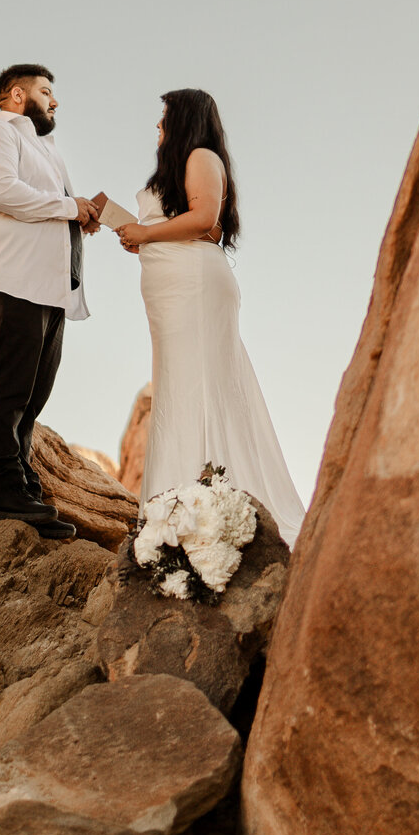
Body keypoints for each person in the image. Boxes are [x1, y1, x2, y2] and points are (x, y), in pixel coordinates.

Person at [115, 88, 304, 547]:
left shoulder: (201, 155)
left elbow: (204, 219)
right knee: (177, 386)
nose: (158, 128)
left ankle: (205, 503)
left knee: (197, 385)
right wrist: (144, 238)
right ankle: (174, 504)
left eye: (164, 119)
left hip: (194, 289)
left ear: (184, 119)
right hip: (171, 293)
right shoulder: (180, 167)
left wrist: (146, 231)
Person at [0, 64, 100, 537]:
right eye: (46, 92)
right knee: (9, 388)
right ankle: (4, 492)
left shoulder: (47, 151)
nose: (55, 101)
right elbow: (2, 192)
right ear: (16, 95)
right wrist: (68, 207)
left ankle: (24, 490)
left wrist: (76, 214)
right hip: (7, 280)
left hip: (48, 290)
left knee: (34, 396)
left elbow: (42, 204)